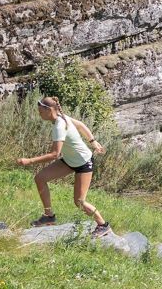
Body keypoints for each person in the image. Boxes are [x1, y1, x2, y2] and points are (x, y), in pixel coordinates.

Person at [17, 96, 111, 236]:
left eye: (41, 111)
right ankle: (49, 216)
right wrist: (92, 141)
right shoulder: (61, 116)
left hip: (83, 163)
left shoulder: (59, 126)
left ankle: (103, 225)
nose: (39, 114)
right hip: (70, 160)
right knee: (40, 178)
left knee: (79, 202)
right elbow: (80, 124)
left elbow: (55, 154)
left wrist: (29, 161)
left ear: (49, 110)